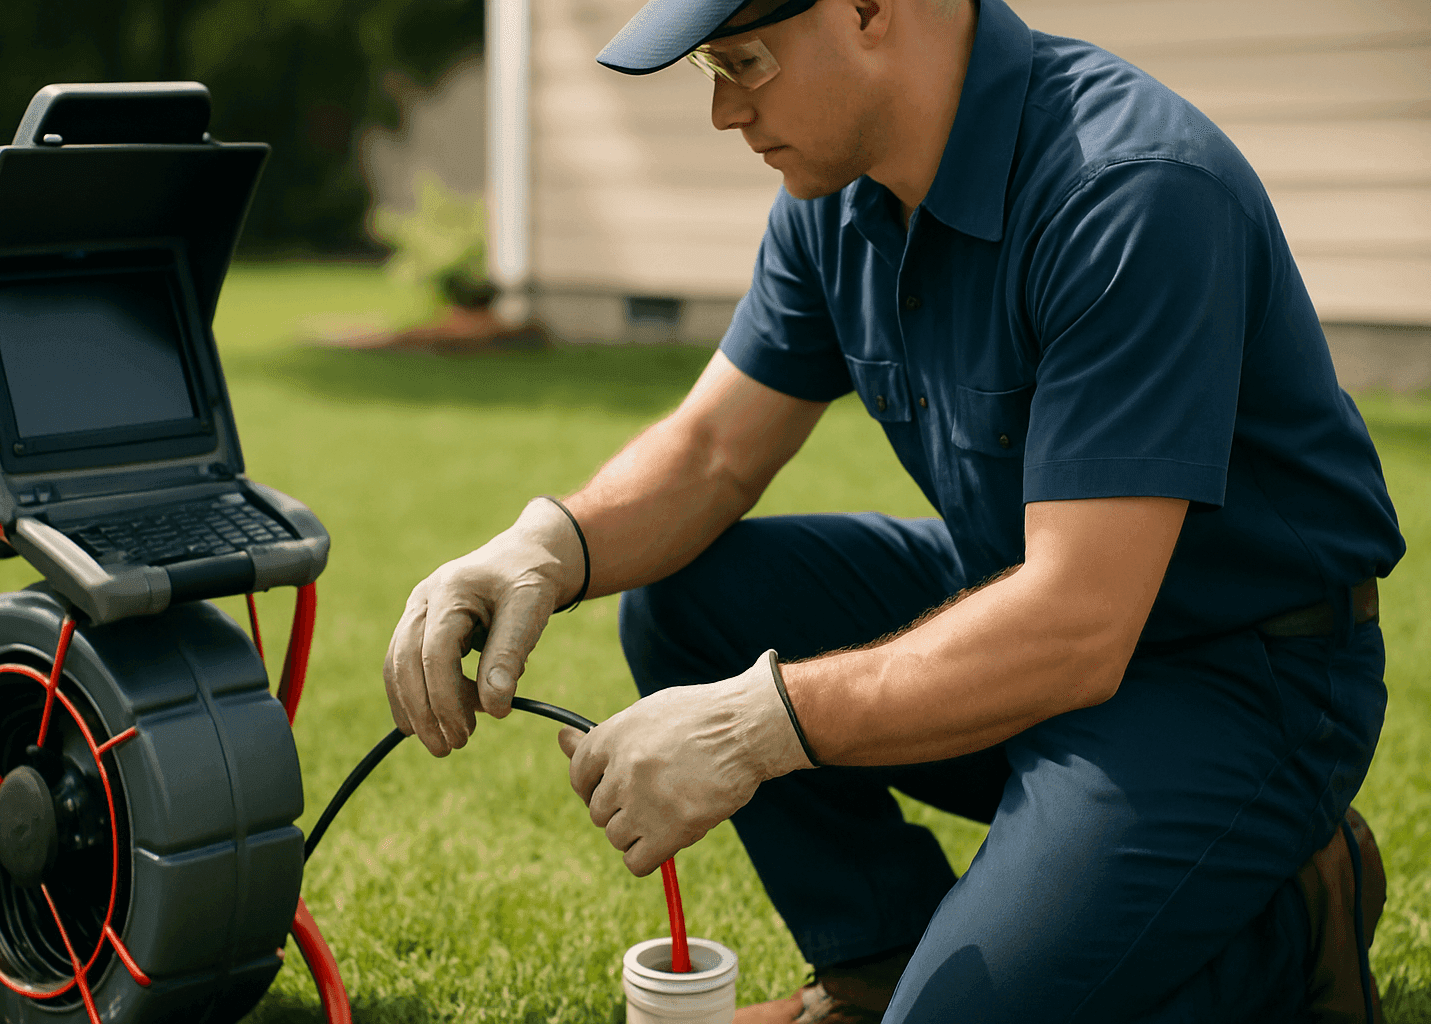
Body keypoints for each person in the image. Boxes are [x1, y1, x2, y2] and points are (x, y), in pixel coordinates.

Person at [382, 0, 1403, 1019]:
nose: (724, 113)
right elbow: (711, 451)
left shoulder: (1128, 189)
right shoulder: (838, 196)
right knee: (687, 602)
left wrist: (756, 727)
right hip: (1025, 606)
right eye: (710, 69)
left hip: (1238, 676)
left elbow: (1080, 626)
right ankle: (876, 965)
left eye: (745, 61)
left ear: (869, 11)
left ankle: (1284, 925)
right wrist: (544, 546)